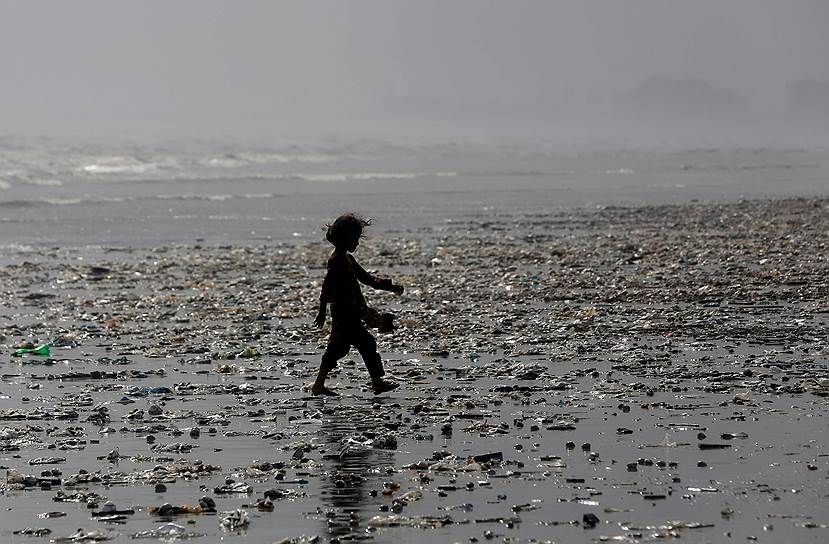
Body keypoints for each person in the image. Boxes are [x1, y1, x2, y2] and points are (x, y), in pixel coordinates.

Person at [312, 214, 404, 396]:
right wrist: (322, 311)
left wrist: (390, 286)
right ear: (344, 238)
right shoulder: (336, 261)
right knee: (357, 344)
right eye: (355, 238)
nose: (357, 243)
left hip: (353, 310)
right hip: (344, 312)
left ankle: (320, 385)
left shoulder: (347, 259)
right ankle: (376, 383)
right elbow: (327, 286)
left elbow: (367, 278)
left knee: (343, 347)